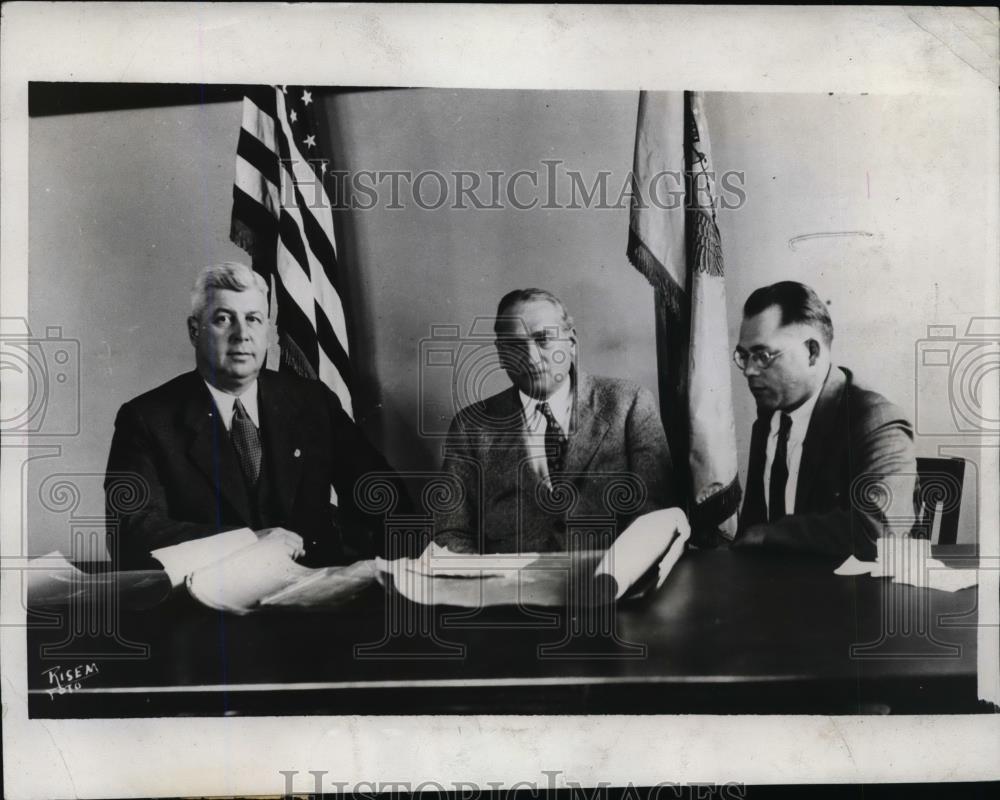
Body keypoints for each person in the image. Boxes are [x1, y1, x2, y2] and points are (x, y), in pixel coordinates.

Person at [105, 262, 408, 570]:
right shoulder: (146, 418)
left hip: (316, 603)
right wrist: (247, 542)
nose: (242, 335)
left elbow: (387, 498)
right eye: (223, 319)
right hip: (208, 606)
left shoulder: (314, 402)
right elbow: (131, 536)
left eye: (253, 319)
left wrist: (358, 567)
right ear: (195, 331)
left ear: (266, 329)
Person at [434, 288, 679, 553]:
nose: (530, 357)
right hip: (509, 589)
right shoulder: (471, 425)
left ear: (571, 342)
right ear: (501, 354)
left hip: (611, 582)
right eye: (515, 345)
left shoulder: (629, 404)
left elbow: (656, 519)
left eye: (543, 339)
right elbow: (451, 532)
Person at [731, 281, 916, 559]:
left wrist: (769, 534)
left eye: (763, 355)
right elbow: (750, 532)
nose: (749, 371)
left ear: (812, 352)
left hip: (856, 597)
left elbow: (880, 530)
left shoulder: (876, 419)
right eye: (744, 356)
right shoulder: (769, 420)